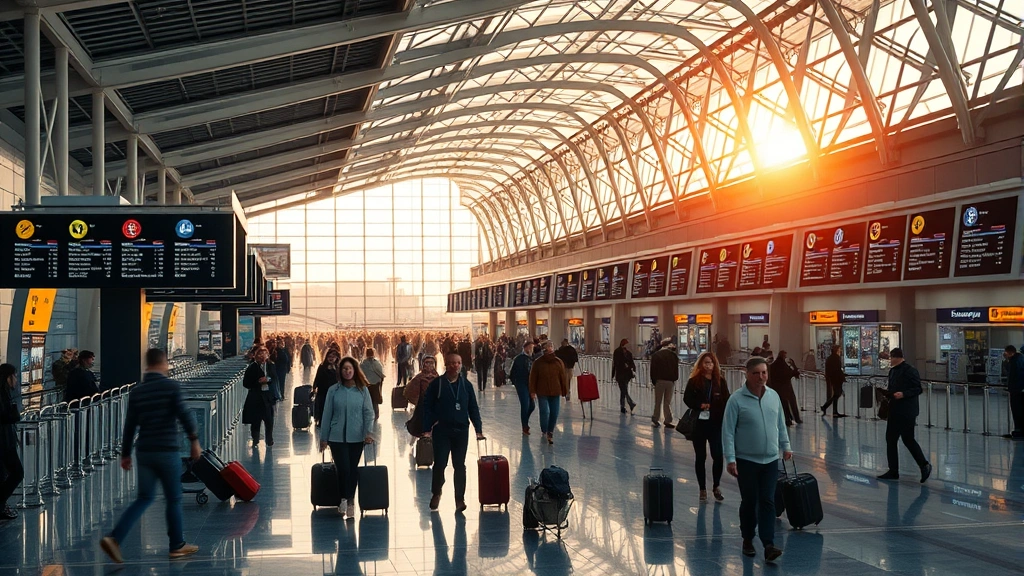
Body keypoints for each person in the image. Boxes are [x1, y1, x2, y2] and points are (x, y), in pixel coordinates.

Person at [99, 349, 202, 563]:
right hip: (167, 450)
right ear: (163, 363)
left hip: (144, 451)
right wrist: (194, 441)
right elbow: (184, 415)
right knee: (173, 498)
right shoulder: (171, 387)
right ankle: (177, 545)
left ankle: (114, 538)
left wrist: (125, 454)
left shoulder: (138, 391)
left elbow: (129, 426)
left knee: (144, 498)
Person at [723, 357, 792, 563]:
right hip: (746, 461)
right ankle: (747, 538)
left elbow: (780, 423)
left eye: (764, 373)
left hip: (770, 460)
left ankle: (768, 544)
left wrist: (785, 446)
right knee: (750, 501)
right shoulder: (736, 400)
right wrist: (730, 458)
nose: (761, 377)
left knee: (768, 501)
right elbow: (728, 432)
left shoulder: (773, 396)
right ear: (747, 374)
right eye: (756, 373)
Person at [421, 352, 485, 513]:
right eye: (451, 363)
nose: (455, 366)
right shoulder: (437, 384)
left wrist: (478, 429)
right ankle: (436, 492)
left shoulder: (466, 386)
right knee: (440, 464)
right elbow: (427, 406)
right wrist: (427, 428)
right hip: (442, 430)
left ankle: (459, 499)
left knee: (459, 465)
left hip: (461, 431)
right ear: (446, 365)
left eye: (458, 363)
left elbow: (473, 408)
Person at [319, 356, 375, 519]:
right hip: (336, 438)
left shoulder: (362, 390)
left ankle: (350, 500)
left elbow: (368, 412)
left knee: (352, 470)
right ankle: (344, 498)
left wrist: (368, 432)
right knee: (343, 469)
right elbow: (327, 414)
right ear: (340, 371)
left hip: (357, 437)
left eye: (350, 368)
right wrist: (324, 437)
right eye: (344, 369)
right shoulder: (333, 391)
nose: (347, 371)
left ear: (355, 370)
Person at [877, 348, 932, 482]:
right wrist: (886, 394)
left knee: (908, 439)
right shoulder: (892, 371)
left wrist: (903, 394)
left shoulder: (910, 370)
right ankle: (893, 470)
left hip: (907, 411)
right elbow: (893, 389)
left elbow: (918, 388)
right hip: (894, 410)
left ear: (897, 357)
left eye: (891, 357)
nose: (890, 360)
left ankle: (924, 465)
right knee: (891, 439)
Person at [684, 352, 730, 502]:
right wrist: (699, 405)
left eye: (711, 362)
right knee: (701, 457)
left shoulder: (720, 381)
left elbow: (726, 400)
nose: (708, 365)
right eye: (705, 362)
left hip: (715, 423)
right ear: (701, 365)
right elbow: (687, 398)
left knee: (718, 455)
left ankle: (716, 485)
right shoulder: (694, 381)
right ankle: (702, 488)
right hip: (699, 424)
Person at [529, 341, 569, 445]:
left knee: (554, 412)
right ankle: (544, 429)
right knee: (544, 411)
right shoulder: (538, 363)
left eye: (551, 346)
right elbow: (533, 378)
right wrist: (532, 391)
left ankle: (550, 431)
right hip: (542, 391)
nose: (550, 349)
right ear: (544, 350)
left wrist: (564, 390)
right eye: (548, 347)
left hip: (555, 391)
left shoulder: (558, 362)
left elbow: (562, 378)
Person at [0, 363, 23, 521]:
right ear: (8, 377)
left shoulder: (5, 393)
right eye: (14, 376)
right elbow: (6, 416)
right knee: (17, 472)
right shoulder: (2, 394)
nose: (16, 380)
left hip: (6, 440)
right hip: (3, 442)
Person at [242, 346, 277, 448]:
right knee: (255, 421)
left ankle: (269, 440)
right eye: (260, 354)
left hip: (267, 397)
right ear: (256, 356)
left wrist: (268, 379)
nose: (262, 356)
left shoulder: (270, 365)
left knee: (269, 420)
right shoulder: (252, 367)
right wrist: (257, 382)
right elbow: (246, 383)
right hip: (256, 398)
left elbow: (274, 377)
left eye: (264, 354)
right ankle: (255, 439)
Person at [649, 338, 679, 429]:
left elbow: (653, 370)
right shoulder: (673, 356)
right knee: (667, 401)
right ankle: (668, 420)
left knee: (658, 401)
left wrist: (654, 380)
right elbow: (675, 369)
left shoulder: (656, 355)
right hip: (670, 381)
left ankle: (656, 418)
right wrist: (674, 379)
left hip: (659, 381)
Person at [769, 351, 802, 426]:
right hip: (786, 387)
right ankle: (795, 418)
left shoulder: (773, 365)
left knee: (783, 405)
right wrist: (794, 368)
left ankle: (787, 419)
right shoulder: (783, 365)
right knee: (791, 403)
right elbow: (788, 374)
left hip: (777, 388)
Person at [510, 342, 536, 435]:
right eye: (530, 347)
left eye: (532, 348)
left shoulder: (532, 358)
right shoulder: (518, 359)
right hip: (521, 384)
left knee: (532, 406)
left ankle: (525, 419)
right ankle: (525, 426)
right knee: (525, 404)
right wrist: (515, 382)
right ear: (525, 348)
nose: (531, 349)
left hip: (530, 384)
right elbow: (512, 372)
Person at [312, 348, 341, 425]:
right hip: (323, 391)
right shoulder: (322, 367)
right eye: (329, 356)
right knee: (322, 407)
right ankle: (321, 422)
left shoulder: (337, 368)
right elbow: (317, 378)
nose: (331, 358)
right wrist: (314, 388)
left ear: (336, 358)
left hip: (334, 392)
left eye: (333, 357)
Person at [612, 339, 637, 414]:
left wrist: (632, 369)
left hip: (627, 375)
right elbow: (615, 363)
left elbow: (632, 363)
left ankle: (623, 406)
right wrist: (613, 374)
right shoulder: (617, 352)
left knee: (623, 390)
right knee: (623, 390)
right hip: (620, 374)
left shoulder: (629, 353)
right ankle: (629, 404)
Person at [1004, 345, 1024, 440]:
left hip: (1016, 390)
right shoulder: (1019, 359)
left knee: (1016, 410)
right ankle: (1019, 430)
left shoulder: (1015, 361)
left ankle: (1018, 430)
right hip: (1019, 389)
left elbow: (1012, 374)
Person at [821, 345, 847, 417]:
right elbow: (837, 369)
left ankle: (833, 410)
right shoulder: (836, 358)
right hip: (836, 379)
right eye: (839, 349)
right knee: (837, 394)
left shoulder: (830, 358)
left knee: (836, 394)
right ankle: (826, 407)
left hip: (833, 379)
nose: (840, 351)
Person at [360, 349, 385, 420]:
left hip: (366, 384)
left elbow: (360, 373)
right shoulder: (377, 363)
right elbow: (381, 373)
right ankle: (376, 414)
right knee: (375, 401)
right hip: (376, 384)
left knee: (367, 400)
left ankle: (368, 414)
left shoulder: (363, 363)